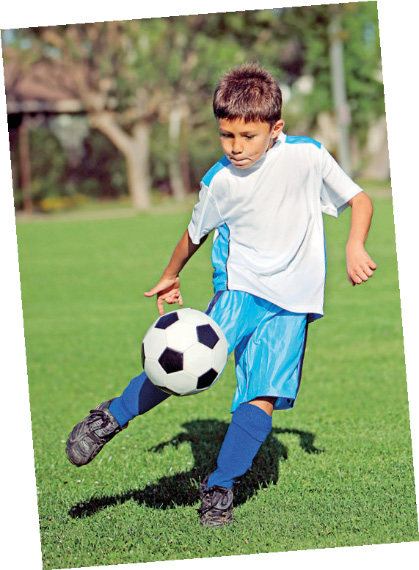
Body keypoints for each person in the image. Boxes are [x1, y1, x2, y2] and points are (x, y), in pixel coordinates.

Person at [66, 62, 376, 528]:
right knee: (183, 363)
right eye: (226, 135)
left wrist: (355, 243)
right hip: (239, 287)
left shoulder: (307, 156)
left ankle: (219, 489)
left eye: (247, 136)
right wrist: (171, 275)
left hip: (292, 303)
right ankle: (110, 417)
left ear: (276, 130)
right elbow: (194, 235)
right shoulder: (219, 181)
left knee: (261, 398)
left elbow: (359, 199)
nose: (236, 147)